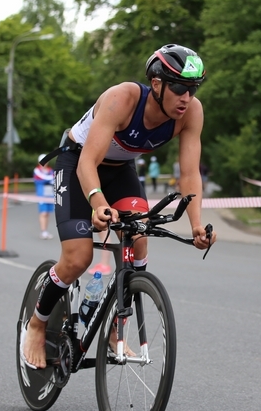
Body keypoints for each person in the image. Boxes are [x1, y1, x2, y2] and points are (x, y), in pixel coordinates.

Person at [22, 44, 217, 369]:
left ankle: (115, 326)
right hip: (78, 162)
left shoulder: (191, 113)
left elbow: (189, 173)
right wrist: (97, 204)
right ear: (157, 84)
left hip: (121, 170)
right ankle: (38, 323)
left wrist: (196, 223)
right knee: (79, 257)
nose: (187, 97)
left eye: (193, 89)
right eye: (180, 88)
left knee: (139, 239)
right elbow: (88, 161)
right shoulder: (122, 99)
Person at [34, 154, 55, 239]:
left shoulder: (50, 170)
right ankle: (43, 231)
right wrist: (50, 179)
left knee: (47, 214)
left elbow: (54, 179)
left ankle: (45, 231)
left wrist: (51, 179)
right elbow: (44, 178)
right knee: (43, 213)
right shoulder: (37, 170)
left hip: (50, 195)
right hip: (42, 195)